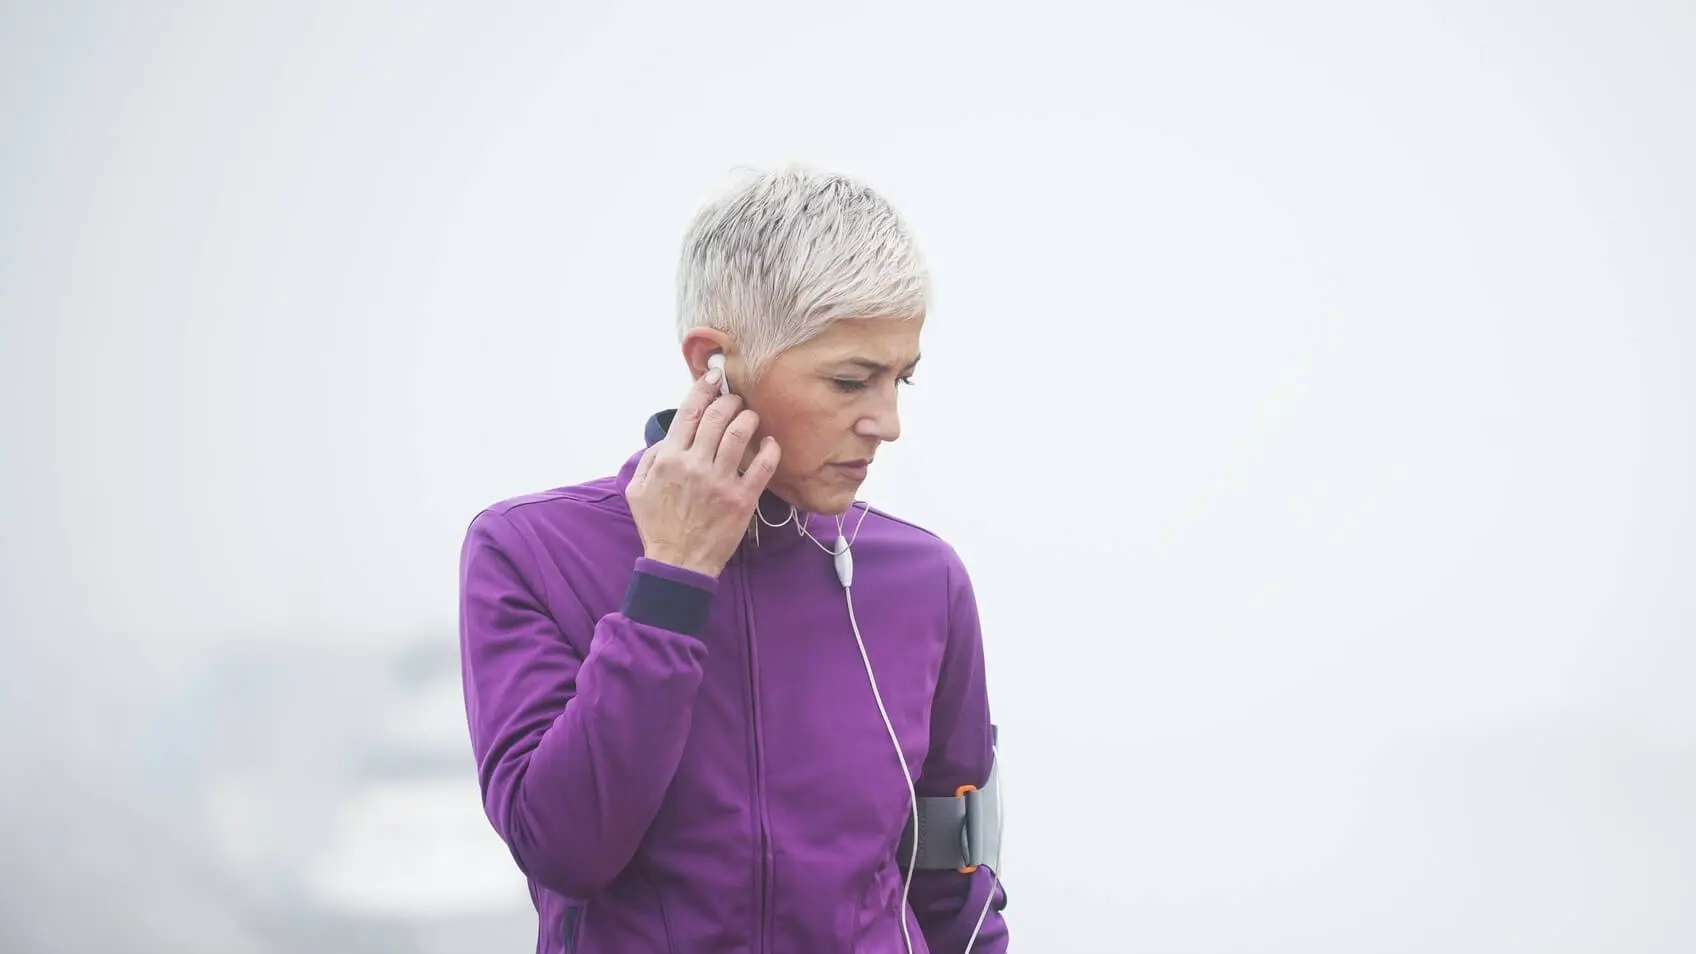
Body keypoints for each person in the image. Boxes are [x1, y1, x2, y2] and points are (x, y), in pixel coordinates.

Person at [457, 166, 1009, 954]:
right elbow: (566, 849)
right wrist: (673, 578)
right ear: (711, 361)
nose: (888, 423)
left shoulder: (925, 580)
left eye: (901, 378)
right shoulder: (529, 552)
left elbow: (957, 892)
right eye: (851, 380)